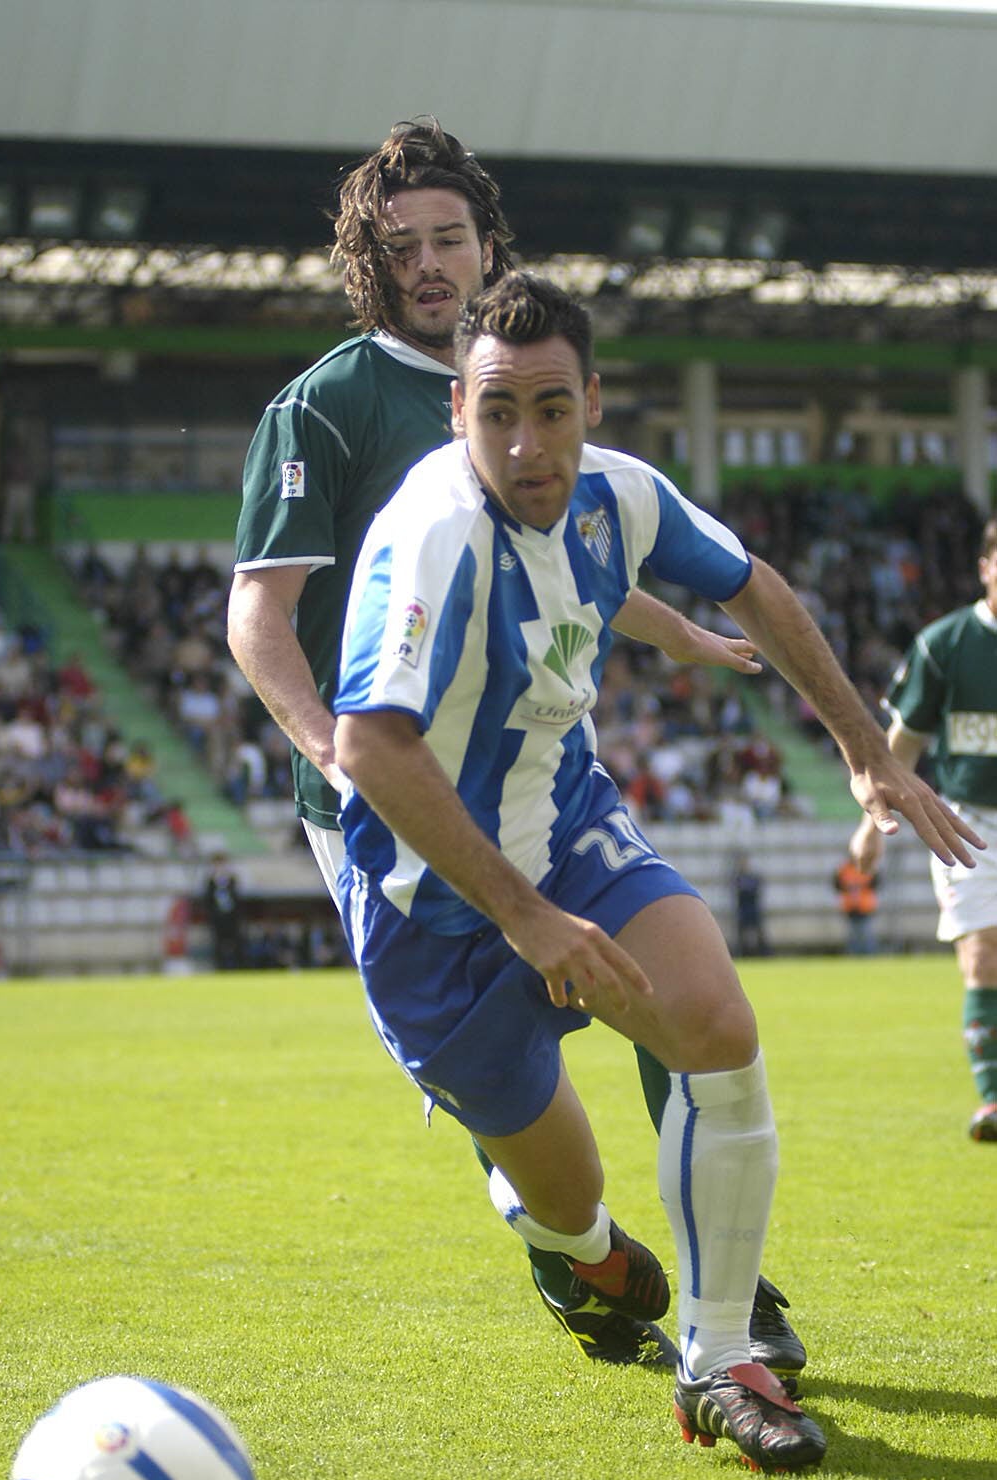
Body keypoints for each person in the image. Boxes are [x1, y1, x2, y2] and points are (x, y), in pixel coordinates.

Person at [331, 272, 980, 1470]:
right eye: (496, 412)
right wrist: (523, 918)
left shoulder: (618, 496)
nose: (528, 443)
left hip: (572, 831)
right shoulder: (431, 537)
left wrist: (861, 748)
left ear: (592, 401)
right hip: (438, 914)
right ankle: (577, 1256)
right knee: (568, 1210)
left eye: (554, 408)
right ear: (457, 414)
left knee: (716, 1027)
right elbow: (371, 745)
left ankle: (718, 1357)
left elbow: (756, 587)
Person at [229, 119, 801, 1378]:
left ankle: (727, 1281)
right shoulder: (324, 409)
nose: (431, 262)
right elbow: (257, 614)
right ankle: (563, 1235)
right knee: (494, 1065)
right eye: (404, 245)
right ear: (367, 261)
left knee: (670, 993)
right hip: (387, 799)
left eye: (451, 237)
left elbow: (573, 568)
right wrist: (329, 746)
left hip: (543, 763)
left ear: (489, 244)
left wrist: (676, 636)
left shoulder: (523, 385)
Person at [850, 516, 997, 1141]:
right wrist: (868, 827)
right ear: (986, 566)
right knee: (982, 952)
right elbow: (899, 747)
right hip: (970, 824)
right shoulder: (947, 643)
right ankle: (993, 1100)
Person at [202, 852, 247, 971]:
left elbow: (237, 898)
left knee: (237, 943)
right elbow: (208, 901)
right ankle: (220, 968)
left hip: (232, 917)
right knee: (218, 944)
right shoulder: (210, 882)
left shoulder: (231, 880)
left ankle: (240, 968)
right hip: (218, 918)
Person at [833, 855, 879, 955]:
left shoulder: (867, 868)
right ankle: (855, 956)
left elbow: (876, 883)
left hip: (865, 906)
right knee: (853, 935)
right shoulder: (844, 869)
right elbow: (836, 885)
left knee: (866, 934)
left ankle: (869, 955)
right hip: (850, 907)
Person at [731, 854, 769, 957]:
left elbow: (754, 889)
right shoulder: (738, 877)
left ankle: (765, 953)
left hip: (753, 909)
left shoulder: (751, 877)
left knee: (759, 932)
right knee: (740, 934)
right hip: (743, 910)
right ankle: (740, 954)